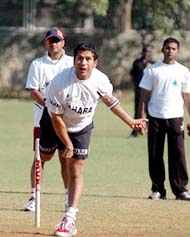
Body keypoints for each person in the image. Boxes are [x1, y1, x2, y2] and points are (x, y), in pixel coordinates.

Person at [44, 42, 148, 237]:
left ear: (95, 62)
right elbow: (56, 117)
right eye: (80, 58)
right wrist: (66, 142)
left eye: (88, 59)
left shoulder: (100, 81)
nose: (83, 63)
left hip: (82, 127)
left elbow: (111, 102)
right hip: (56, 122)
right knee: (48, 157)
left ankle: (70, 218)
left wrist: (131, 122)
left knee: (75, 168)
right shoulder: (58, 83)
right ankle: (63, 191)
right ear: (74, 61)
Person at [139, 37, 190, 201]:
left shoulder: (183, 71)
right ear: (162, 49)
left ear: (178, 51)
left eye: (173, 48)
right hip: (155, 117)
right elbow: (144, 95)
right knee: (155, 154)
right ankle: (158, 189)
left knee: (178, 154)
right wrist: (141, 118)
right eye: (167, 48)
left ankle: (181, 190)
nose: (170, 51)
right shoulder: (152, 69)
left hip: (176, 117)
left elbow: (188, 96)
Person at [24, 27, 73, 211]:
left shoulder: (70, 63)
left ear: (63, 42)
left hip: (65, 120)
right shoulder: (38, 64)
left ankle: (69, 197)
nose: (54, 44)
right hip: (42, 119)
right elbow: (33, 90)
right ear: (46, 43)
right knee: (39, 158)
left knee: (65, 158)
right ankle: (34, 196)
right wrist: (49, 105)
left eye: (57, 40)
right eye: (51, 41)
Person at [129, 44, 154, 137]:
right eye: (145, 51)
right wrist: (135, 85)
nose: (146, 53)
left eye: (148, 51)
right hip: (139, 91)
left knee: (150, 111)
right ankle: (135, 131)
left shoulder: (153, 64)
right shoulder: (137, 63)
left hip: (150, 92)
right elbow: (132, 75)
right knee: (138, 110)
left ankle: (150, 131)